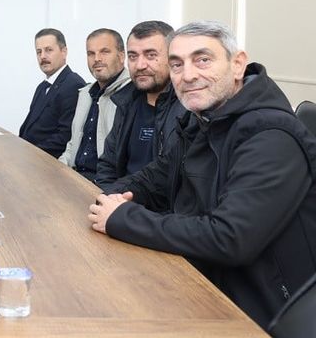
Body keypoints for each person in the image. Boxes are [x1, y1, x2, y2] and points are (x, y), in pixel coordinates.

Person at [88, 21, 316, 329]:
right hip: (198, 278)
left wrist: (123, 218)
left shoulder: (271, 135)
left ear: (238, 64)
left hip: (259, 312)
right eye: (177, 64)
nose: (188, 75)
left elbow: (230, 238)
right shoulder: (204, 119)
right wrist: (109, 197)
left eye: (203, 60)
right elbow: (156, 177)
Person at [95, 21, 186, 191]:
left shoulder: (189, 108)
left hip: (161, 207)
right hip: (119, 199)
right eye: (133, 56)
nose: (140, 65)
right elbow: (107, 165)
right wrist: (110, 197)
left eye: (150, 55)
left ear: (172, 58)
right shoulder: (125, 102)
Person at [59, 28, 131, 181]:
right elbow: (73, 144)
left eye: (104, 52)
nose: (96, 59)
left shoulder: (132, 93)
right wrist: (57, 170)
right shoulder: (85, 93)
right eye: (91, 53)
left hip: (104, 184)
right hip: (75, 178)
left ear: (121, 56)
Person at [18, 28, 85, 158]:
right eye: (39, 52)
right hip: (29, 157)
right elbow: (28, 128)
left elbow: (65, 137)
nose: (43, 56)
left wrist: (29, 154)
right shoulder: (42, 87)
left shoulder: (73, 84)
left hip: (47, 162)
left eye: (49, 50)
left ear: (64, 52)